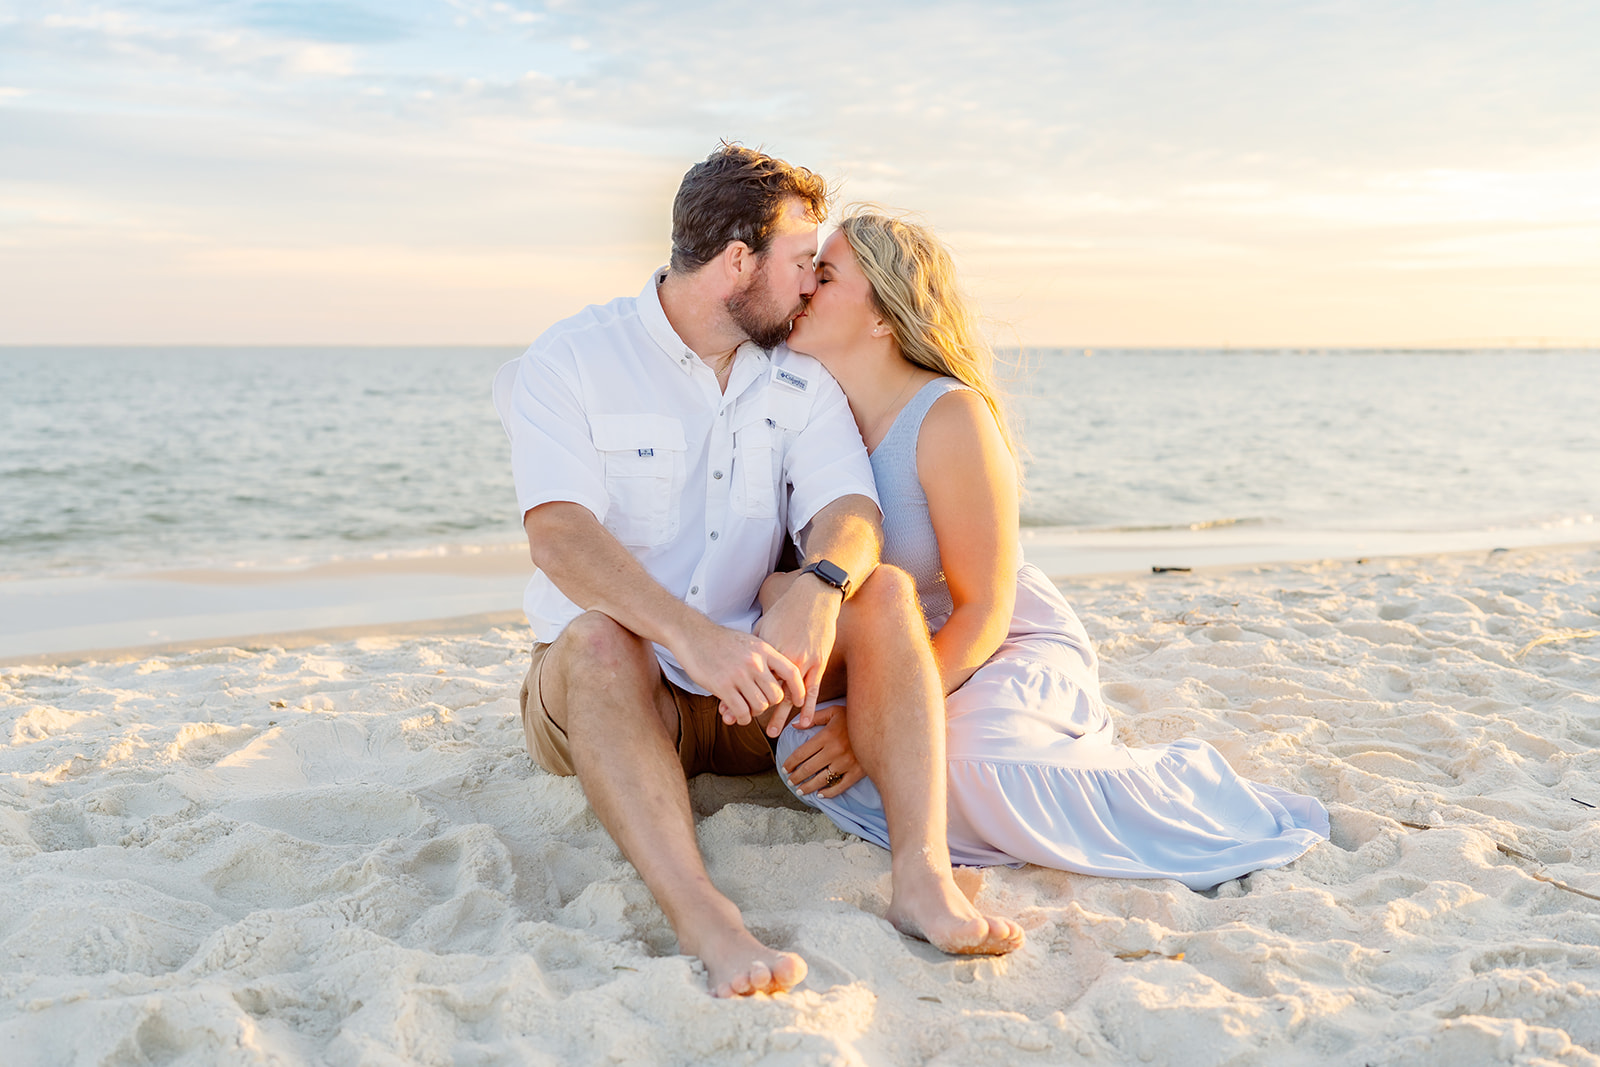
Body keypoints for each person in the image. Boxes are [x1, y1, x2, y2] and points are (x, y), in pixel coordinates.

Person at [495, 148, 1023, 1000]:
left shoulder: (796, 374)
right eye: (800, 259)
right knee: (596, 639)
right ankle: (708, 918)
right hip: (613, 690)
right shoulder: (573, 359)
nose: (813, 278)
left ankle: (921, 879)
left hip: (753, 691)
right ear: (739, 261)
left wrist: (819, 586)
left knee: (880, 588)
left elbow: (852, 510)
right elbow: (558, 534)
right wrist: (690, 637)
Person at [771, 209, 1330, 889]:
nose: (801, 288)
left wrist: (869, 732)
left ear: (884, 316)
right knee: (809, 753)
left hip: (990, 645)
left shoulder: (949, 417)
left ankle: (1184, 783)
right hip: (883, 655)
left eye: (823, 276)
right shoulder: (806, 415)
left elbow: (985, 608)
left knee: (963, 769)